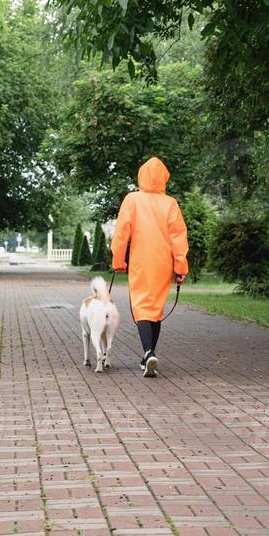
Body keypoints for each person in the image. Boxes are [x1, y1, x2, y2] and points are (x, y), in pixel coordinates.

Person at [111, 156, 189, 377]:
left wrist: (118, 260)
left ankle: (148, 352)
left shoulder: (132, 199)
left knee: (142, 306)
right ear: (164, 178)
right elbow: (178, 238)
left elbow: (121, 233)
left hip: (141, 261)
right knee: (155, 309)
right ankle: (149, 356)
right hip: (163, 263)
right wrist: (180, 267)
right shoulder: (170, 203)